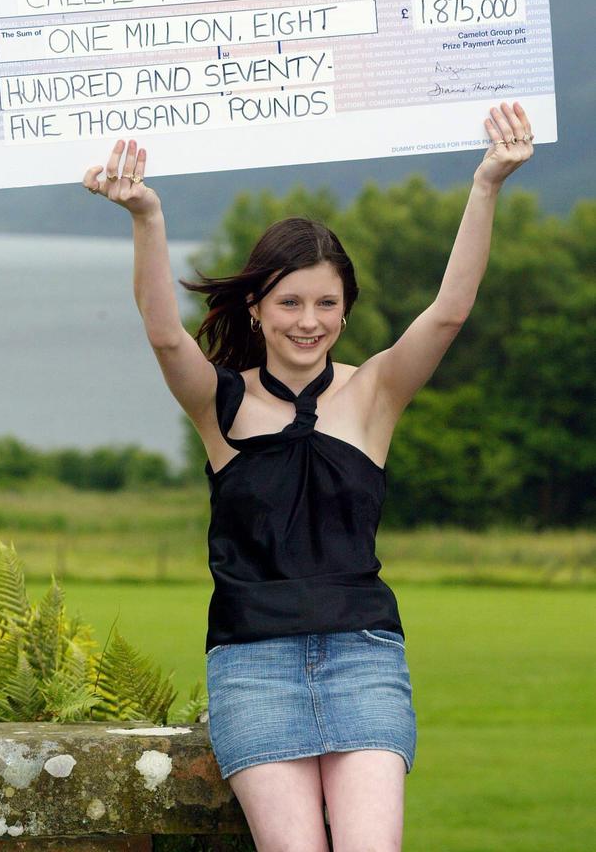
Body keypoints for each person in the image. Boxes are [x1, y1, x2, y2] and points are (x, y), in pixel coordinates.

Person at [82, 101, 534, 852]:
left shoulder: (375, 394)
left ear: (347, 311)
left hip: (364, 657)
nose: (308, 320)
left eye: (327, 303)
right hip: (253, 665)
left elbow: (449, 314)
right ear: (255, 308)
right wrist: (146, 215)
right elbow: (165, 334)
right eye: (289, 301)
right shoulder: (218, 402)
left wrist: (487, 184)